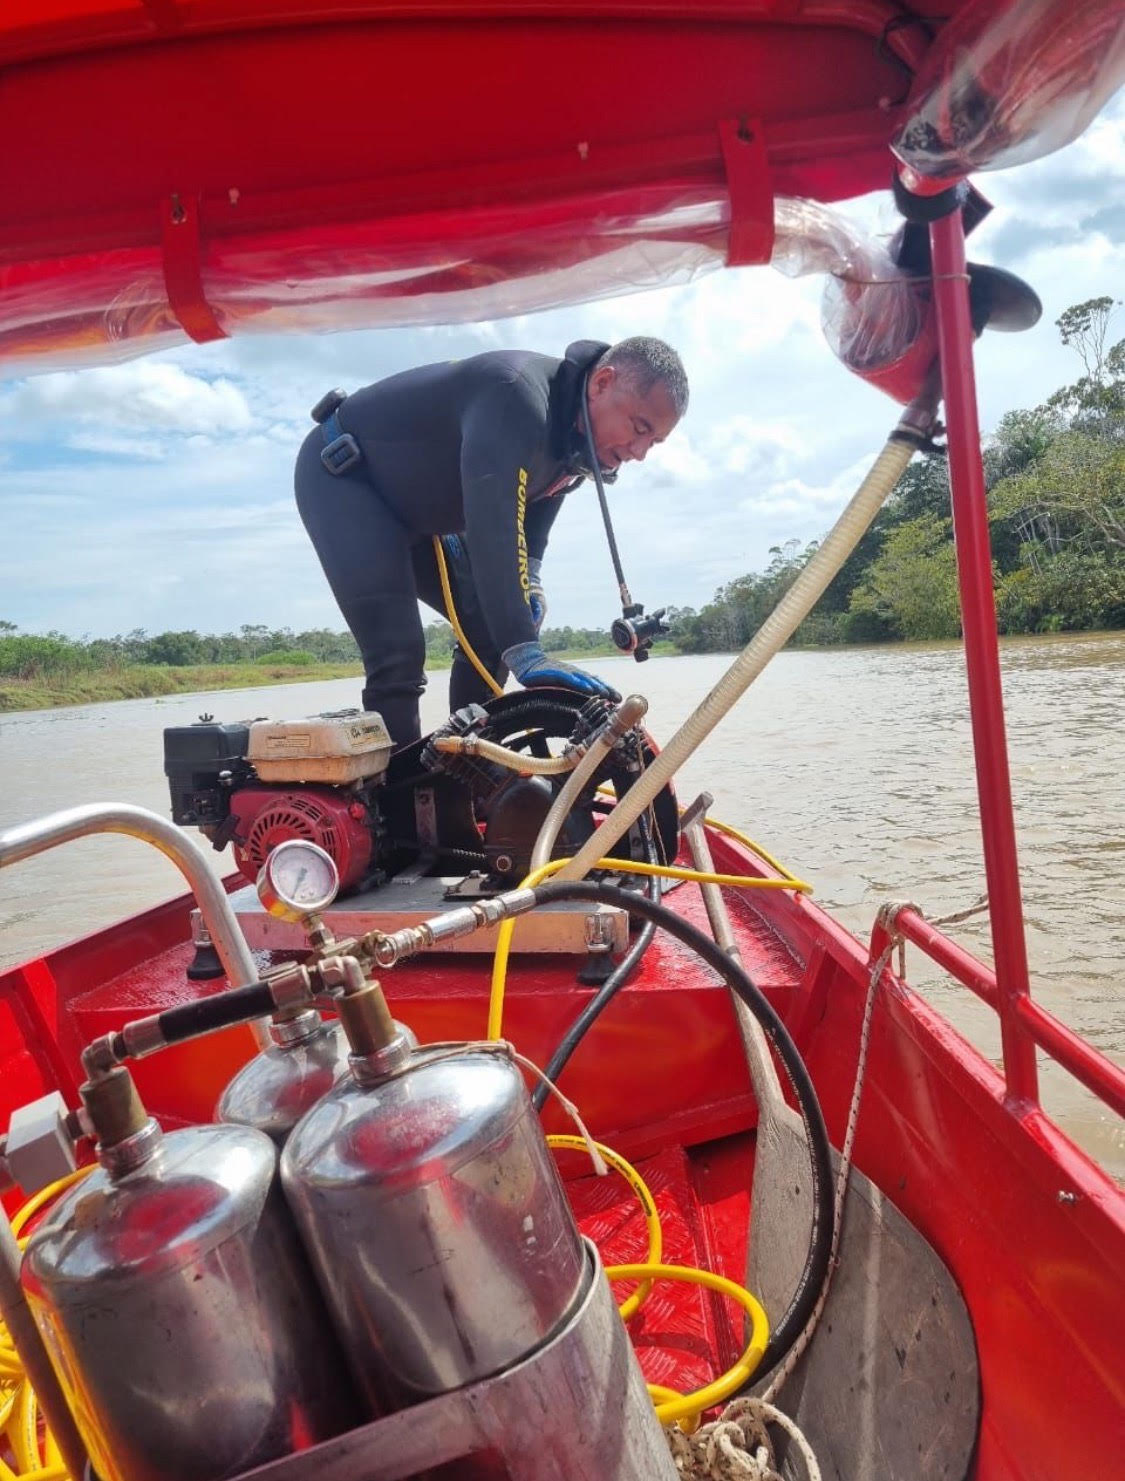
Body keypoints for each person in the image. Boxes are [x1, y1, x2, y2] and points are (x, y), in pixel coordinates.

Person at [295, 336, 688, 746]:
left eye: (654, 441)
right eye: (640, 428)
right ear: (602, 382)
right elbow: (493, 525)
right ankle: (396, 801)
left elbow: (535, 513)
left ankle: (469, 774)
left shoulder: (576, 441)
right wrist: (524, 649)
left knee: (487, 631)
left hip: (419, 512)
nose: (641, 452)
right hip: (348, 478)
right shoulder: (516, 395)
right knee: (398, 657)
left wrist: (530, 583)